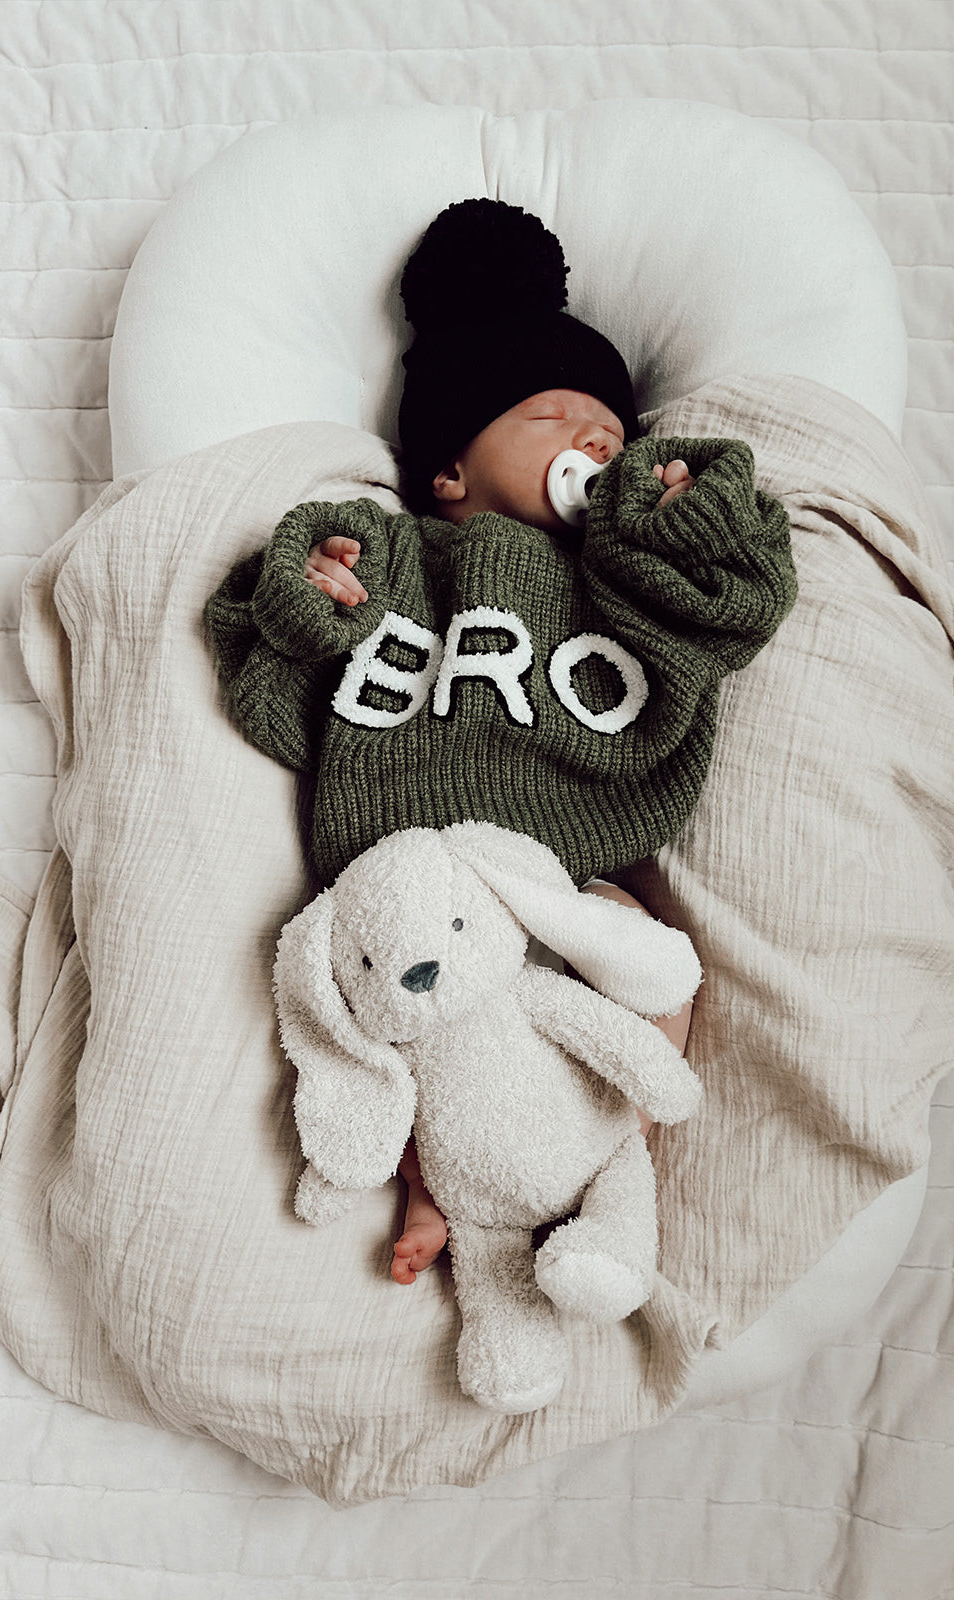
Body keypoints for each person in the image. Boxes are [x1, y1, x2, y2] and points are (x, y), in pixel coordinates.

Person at [204, 199, 797, 1287]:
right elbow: (268, 681)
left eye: (613, 434)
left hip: (568, 875)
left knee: (654, 965)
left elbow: (733, 606)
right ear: (449, 469)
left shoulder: (619, 576)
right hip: (406, 876)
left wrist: (676, 519)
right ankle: (430, 1184)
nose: (594, 441)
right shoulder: (399, 553)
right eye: (555, 418)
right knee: (407, 1033)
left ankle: (610, 1155)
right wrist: (312, 596)